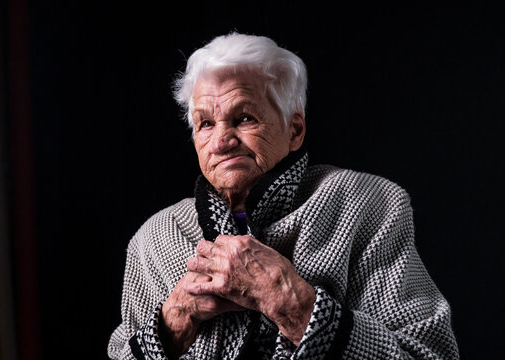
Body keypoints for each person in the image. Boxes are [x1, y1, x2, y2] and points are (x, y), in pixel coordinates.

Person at [108, 33, 459, 359]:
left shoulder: (368, 204)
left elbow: (428, 353)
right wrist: (175, 319)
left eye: (244, 118)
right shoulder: (153, 239)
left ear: (295, 129)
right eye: (206, 124)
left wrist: (294, 304)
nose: (220, 141)